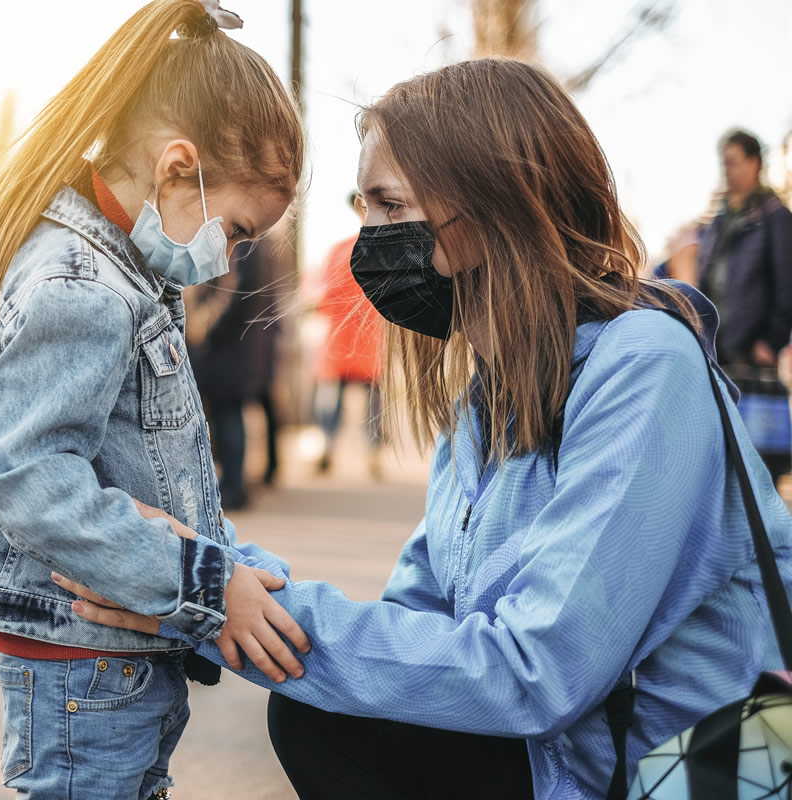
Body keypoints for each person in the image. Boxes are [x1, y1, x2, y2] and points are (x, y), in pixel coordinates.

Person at [56, 58, 792, 800]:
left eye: (388, 204)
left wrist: (215, 601)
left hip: (686, 773)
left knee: (336, 721)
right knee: (323, 712)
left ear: (491, 203)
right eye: (362, 206)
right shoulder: (487, 398)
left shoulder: (644, 367)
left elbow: (539, 671)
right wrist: (215, 578)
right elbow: (415, 624)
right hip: (572, 758)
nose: (367, 236)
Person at [0, 2, 308, 797]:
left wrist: (230, 571)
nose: (229, 256)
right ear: (176, 166)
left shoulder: (126, 274)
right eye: (236, 230)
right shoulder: (85, 286)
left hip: (106, 659)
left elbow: (159, 478)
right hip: (84, 669)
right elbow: (29, 479)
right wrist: (205, 584)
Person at [186, 237, 283, 509]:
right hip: (240, 346)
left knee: (228, 414)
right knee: (229, 413)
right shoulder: (259, 244)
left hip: (228, 346)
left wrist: (206, 326)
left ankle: (232, 486)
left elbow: (234, 294)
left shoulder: (244, 244)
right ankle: (232, 483)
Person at [697, 130, 792, 367]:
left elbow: (787, 284)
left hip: (753, 354)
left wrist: (772, 341)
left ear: (754, 163)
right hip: (715, 350)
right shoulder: (717, 221)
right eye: (724, 163)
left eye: (734, 163)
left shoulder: (775, 217)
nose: (728, 170)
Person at [309, 190, 385, 477]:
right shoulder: (383, 252)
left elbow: (324, 295)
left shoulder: (339, 251)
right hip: (370, 343)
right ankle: (373, 452)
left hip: (341, 342)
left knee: (332, 401)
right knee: (373, 407)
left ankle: (328, 445)